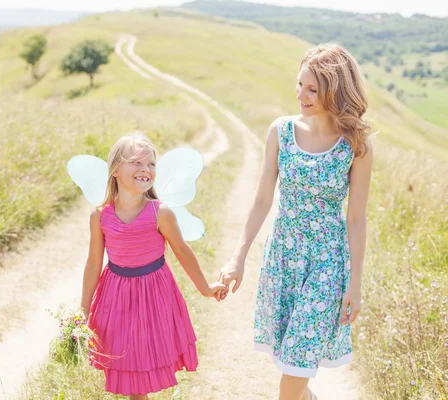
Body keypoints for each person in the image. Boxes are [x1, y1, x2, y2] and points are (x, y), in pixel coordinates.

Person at [219, 43, 373, 400]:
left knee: (295, 366)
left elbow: (356, 218)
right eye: (299, 85)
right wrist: (238, 257)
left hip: (328, 266)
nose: (301, 95)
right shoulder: (281, 131)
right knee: (293, 368)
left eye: (312, 89)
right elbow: (261, 200)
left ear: (335, 91)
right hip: (284, 260)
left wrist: (355, 285)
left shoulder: (356, 144)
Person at [81, 132, 227, 399]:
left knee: (141, 371)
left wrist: (206, 288)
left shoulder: (161, 213)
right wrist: (83, 308)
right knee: (127, 368)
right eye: (136, 162)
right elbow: (93, 263)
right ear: (115, 170)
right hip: (116, 297)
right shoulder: (100, 217)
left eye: (151, 164)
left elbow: (183, 251)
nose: (145, 169)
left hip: (153, 296)